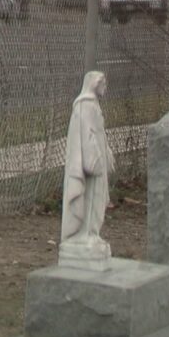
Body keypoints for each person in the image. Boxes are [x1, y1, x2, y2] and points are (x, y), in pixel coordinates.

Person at [60, 71, 114, 268]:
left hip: (98, 160)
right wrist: (94, 159)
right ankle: (84, 234)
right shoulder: (84, 105)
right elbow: (86, 136)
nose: (105, 86)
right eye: (103, 82)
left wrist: (106, 151)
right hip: (90, 163)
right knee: (90, 196)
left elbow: (99, 133)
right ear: (95, 83)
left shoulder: (93, 104)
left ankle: (92, 233)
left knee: (98, 197)